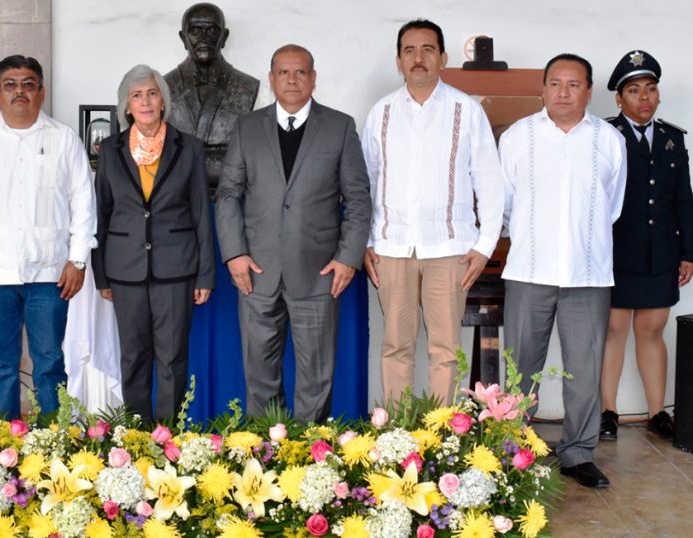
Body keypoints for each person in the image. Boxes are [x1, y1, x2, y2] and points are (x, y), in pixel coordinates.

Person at [215, 44, 371, 424]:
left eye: (300, 72)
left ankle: (309, 462)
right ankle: (268, 457)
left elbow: (358, 198)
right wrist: (234, 254)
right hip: (256, 272)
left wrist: (348, 258)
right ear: (271, 79)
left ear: (313, 78)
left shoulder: (339, 126)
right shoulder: (246, 127)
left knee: (316, 378)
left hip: (318, 274)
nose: (291, 79)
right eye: (283, 72)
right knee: (259, 375)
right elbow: (227, 194)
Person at [0, 55, 97, 421]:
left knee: (50, 363)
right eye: (10, 84)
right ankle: (3, 448)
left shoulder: (64, 140)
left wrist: (77, 260)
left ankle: (53, 442)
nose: (20, 92)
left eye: (28, 84)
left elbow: (84, 206)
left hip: (50, 277)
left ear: (41, 92)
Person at [499, 54, 627, 488]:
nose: (564, 93)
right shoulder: (519, 137)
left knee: (585, 369)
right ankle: (512, 448)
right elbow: (506, 204)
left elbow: (613, 207)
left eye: (574, 85)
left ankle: (577, 454)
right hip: (529, 271)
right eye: (556, 83)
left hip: (588, 274)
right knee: (520, 367)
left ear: (588, 91)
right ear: (543, 89)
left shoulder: (609, 140)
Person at [361, 20, 504, 405]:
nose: (418, 58)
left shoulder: (466, 111)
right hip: (393, 249)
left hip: (450, 249)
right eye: (410, 50)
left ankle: (444, 438)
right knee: (395, 346)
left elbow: (490, 182)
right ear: (399, 60)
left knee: (445, 350)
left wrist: (485, 245)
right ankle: (398, 437)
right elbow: (367, 185)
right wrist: (367, 241)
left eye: (427, 49)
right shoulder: (382, 113)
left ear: (443, 58)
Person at [92, 65, 215, 424]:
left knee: (172, 357)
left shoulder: (188, 147)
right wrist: (101, 275)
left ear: (163, 100)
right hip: (124, 269)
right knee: (133, 356)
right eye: (136, 95)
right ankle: (135, 433)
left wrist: (205, 275)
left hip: (176, 269)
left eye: (152, 93)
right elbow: (101, 212)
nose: (145, 101)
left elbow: (200, 214)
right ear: (126, 106)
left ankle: (167, 436)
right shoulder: (111, 150)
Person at [599, 50, 693, 441]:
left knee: (652, 329)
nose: (644, 97)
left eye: (651, 89)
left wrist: (688, 251)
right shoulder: (605, 135)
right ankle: (608, 411)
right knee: (614, 329)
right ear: (619, 99)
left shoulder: (673, 139)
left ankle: (658, 412)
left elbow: (683, 200)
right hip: (617, 251)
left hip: (661, 251)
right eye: (634, 90)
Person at [164, 2, 259, 187]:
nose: (204, 38)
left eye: (212, 30)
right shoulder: (164, 86)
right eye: (195, 31)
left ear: (224, 37)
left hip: (230, 195)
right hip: (178, 198)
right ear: (183, 38)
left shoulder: (246, 86)